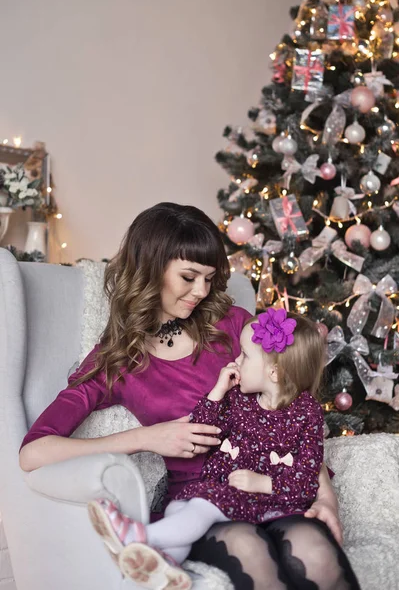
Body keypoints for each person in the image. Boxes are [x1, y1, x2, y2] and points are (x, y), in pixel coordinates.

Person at [20, 203, 357, 590]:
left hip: (270, 488)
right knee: (250, 551)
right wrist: (147, 439)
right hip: (203, 505)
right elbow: (34, 453)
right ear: (150, 269)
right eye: (188, 276)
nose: (202, 291)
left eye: (209, 278)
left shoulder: (234, 327)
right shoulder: (118, 359)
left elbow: (291, 408)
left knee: (315, 551)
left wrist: (326, 498)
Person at [89, 309, 360, 590]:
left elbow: (306, 477)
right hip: (225, 494)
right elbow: (203, 430)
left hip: (272, 505)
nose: (236, 361)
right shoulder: (239, 399)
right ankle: (161, 564)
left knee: (201, 509)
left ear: (274, 371)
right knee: (195, 509)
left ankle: (140, 536)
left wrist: (263, 482)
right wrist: (217, 391)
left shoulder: (307, 413)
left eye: (244, 355)